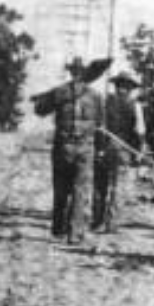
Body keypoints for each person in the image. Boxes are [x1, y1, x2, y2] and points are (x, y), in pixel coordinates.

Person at [32, 56, 105, 246]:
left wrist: (45, 98)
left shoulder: (59, 92)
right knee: (80, 191)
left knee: (61, 189)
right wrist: (101, 150)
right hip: (84, 147)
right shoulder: (95, 96)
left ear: (72, 72)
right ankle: (74, 233)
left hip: (63, 147)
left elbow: (39, 111)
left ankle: (59, 229)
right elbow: (101, 126)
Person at [92, 71, 146, 233]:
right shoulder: (135, 106)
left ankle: (98, 221)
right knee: (118, 187)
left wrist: (99, 149)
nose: (123, 89)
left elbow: (97, 128)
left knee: (100, 186)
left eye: (123, 86)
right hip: (122, 151)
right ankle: (111, 222)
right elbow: (140, 131)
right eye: (123, 86)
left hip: (104, 149)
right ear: (130, 88)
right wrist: (139, 151)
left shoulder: (104, 102)